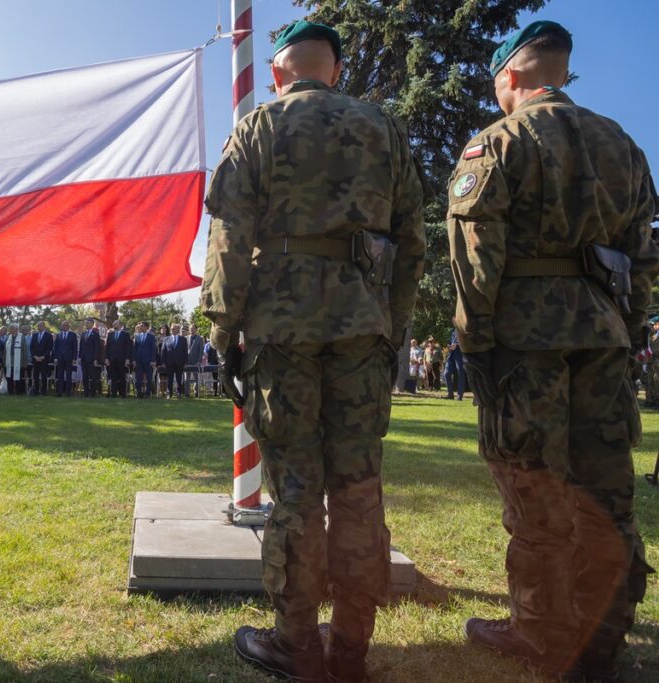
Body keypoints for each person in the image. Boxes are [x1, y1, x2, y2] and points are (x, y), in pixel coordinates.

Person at [200, 21, 425, 682]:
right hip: (361, 331)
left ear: (277, 73)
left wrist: (222, 330)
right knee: (358, 490)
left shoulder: (259, 128)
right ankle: (351, 646)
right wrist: (392, 326)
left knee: (296, 492)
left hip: (281, 332)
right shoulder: (381, 129)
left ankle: (295, 644)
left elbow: (229, 238)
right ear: (335, 71)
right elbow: (412, 242)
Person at [448, 22, 659, 681]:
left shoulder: (497, 143)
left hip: (524, 342)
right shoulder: (622, 145)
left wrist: (476, 346)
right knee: (606, 491)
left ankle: (540, 630)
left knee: (535, 489)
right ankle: (603, 637)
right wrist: (629, 331)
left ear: (512, 77)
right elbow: (644, 258)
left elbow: (474, 262)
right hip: (603, 336)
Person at [104, 320, 132, 398]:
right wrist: (106, 358)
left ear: (120, 324)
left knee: (122, 377)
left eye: (115, 323)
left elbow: (128, 348)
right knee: (113, 377)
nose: (113, 324)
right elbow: (107, 348)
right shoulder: (110, 335)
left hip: (122, 360)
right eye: (113, 323)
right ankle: (114, 394)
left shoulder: (125, 335)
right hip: (112, 359)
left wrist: (127, 359)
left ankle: (123, 394)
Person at [161, 322, 188, 398]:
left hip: (179, 362)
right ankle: (169, 393)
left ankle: (179, 393)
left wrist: (186, 362)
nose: (172, 330)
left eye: (174, 328)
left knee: (179, 379)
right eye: (171, 328)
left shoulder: (183, 339)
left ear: (178, 330)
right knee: (170, 379)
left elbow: (185, 352)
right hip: (169, 362)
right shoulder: (166, 339)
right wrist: (163, 362)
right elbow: (163, 351)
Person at [53, 320, 79, 396]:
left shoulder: (73, 335)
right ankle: (59, 392)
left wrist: (74, 358)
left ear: (68, 326)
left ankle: (68, 392)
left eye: (66, 325)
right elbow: (56, 347)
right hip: (60, 358)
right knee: (60, 375)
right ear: (61, 326)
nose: (64, 327)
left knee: (68, 376)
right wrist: (55, 358)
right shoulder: (59, 335)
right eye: (63, 325)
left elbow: (75, 347)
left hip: (69, 358)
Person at [79, 318, 103, 398]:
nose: (86, 324)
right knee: (84, 376)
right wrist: (80, 357)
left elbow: (97, 347)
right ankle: (86, 392)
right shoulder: (83, 334)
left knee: (92, 377)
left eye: (88, 323)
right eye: (86, 323)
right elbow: (81, 346)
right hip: (84, 359)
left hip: (92, 359)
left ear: (92, 324)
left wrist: (95, 359)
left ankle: (92, 393)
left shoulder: (95, 334)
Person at [133, 322, 157, 398]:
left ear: (146, 327)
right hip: (139, 360)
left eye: (142, 326)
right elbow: (135, 349)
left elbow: (153, 349)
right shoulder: (137, 336)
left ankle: (147, 393)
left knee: (149, 378)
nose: (140, 327)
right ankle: (139, 392)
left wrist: (152, 360)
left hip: (148, 360)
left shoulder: (151, 337)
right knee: (138, 377)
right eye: (140, 326)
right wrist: (134, 360)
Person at [4, 323, 29, 395]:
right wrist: (4, 360)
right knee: (9, 377)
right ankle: (10, 391)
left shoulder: (21, 337)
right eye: (10, 328)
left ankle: (19, 391)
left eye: (12, 328)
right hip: (9, 360)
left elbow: (25, 350)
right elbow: (5, 350)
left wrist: (25, 362)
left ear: (16, 329)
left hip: (19, 361)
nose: (10, 330)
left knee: (18, 377)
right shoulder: (9, 337)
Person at [30, 321, 53, 396]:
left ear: (44, 327)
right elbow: (31, 347)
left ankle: (43, 391)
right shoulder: (34, 335)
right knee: (35, 376)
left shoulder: (48, 335)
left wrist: (43, 356)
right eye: (38, 326)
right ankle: (36, 391)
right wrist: (35, 356)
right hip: (35, 359)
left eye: (40, 326)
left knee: (43, 376)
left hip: (44, 359)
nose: (39, 327)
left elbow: (49, 348)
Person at [443, 330, 465, 401]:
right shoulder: (453, 331)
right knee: (446, 374)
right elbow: (451, 341)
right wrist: (449, 345)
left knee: (460, 374)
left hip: (460, 355)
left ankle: (459, 395)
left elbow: (467, 341)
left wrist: (457, 345)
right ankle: (450, 394)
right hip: (451, 355)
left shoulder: (463, 330)